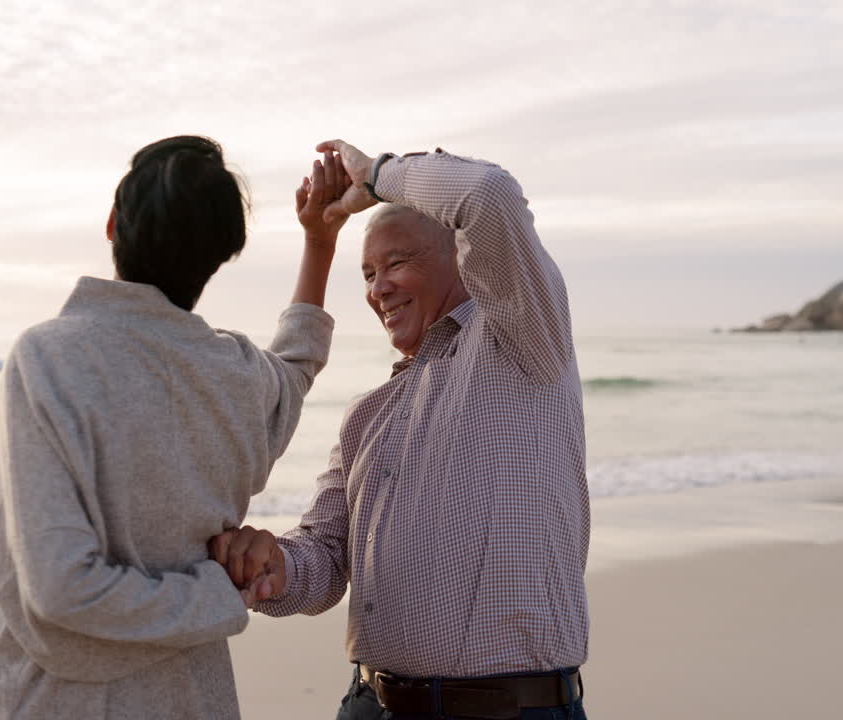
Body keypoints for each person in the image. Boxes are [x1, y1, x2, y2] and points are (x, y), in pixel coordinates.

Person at [0, 136, 350, 719]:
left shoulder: (51, 357)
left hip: (55, 701)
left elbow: (62, 589)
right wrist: (319, 242)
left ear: (114, 223)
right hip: (193, 697)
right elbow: (297, 366)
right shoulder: (237, 376)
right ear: (221, 257)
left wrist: (216, 595)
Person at [211, 140, 590, 719]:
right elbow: (326, 561)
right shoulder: (368, 414)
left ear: (464, 259)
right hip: (370, 705)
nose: (378, 288)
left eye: (396, 263)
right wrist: (271, 565)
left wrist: (377, 177)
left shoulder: (521, 341)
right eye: (367, 273)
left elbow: (487, 195)